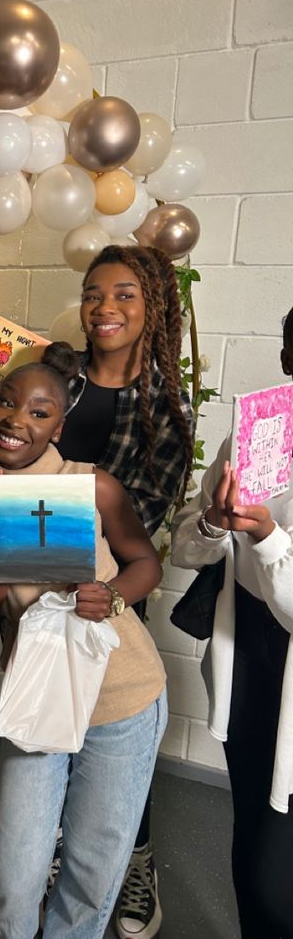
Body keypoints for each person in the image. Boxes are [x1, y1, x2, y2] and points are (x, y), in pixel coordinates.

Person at [0, 343, 167, 939]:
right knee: (14, 875)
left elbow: (145, 562)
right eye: (7, 401)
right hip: (38, 697)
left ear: (58, 427)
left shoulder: (90, 486)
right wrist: (3, 550)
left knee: (93, 874)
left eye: (40, 412)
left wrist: (114, 594)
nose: (17, 420)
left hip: (123, 694)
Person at [54, 243, 195, 939]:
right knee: (46, 734)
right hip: (34, 593)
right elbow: (10, 443)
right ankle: (50, 851)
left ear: (154, 309)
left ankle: (136, 859)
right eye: (93, 293)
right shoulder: (53, 371)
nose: (104, 308)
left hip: (111, 598)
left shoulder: (167, 409)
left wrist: (41, 487)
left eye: (125, 295)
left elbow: (136, 520)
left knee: (113, 744)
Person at [171, 307, 293, 938]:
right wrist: (215, 524)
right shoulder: (252, 439)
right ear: (285, 360)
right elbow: (186, 549)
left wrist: (270, 539)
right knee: (253, 827)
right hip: (252, 655)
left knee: (279, 871)